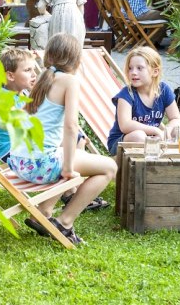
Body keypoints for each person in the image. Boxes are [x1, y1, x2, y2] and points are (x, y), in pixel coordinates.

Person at [8, 33, 117, 244]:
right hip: (39, 165)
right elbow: (70, 126)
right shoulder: (69, 80)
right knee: (109, 168)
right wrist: (67, 168)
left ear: (49, 55)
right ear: (76, 59)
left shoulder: (43, 77)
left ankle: (42, 212)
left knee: (68, 152)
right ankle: (65, 222)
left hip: (20, 161)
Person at [106, 46, 180, 156]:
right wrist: (155, 130)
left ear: (155, 72)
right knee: (139, 136)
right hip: (122, 142)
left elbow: (176, 118)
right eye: (130, 68)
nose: (133, 72)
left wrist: (167, 131)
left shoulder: (164, 90)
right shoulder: (126, 95)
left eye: (139, 68)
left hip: (152, 139)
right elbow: (125, 125)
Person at [0, 48, 38, 162]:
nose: (34, 74)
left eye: (34, 69)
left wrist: (26, 59)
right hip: (10, 152)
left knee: (76, 138)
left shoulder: (20, 94)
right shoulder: (3, 98)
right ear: (10, 76)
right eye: (28, 70)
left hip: (22, 148)